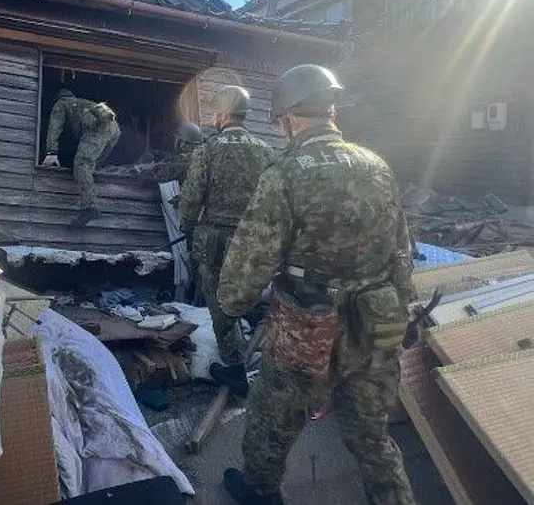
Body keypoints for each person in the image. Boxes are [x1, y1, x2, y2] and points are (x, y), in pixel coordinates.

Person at [216, 65, 416, 505]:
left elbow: (254, 255)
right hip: (374, 321)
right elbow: (401, 250)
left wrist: (232, 303)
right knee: (371, 435)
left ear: (288, 118)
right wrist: (405, 307)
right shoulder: (377, 165)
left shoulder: (285, 172)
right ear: (330, 110)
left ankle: (260, 491)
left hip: (306, 326)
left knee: (274, 416)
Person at [179, 85, 274, 396]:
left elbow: (192, 199)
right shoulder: (265, 150)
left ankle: (234, 371)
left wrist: (187, 225)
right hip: (253, 239)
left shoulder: (209, 149)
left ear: (222, 114)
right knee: (245, 296)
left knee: (219, 305)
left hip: (216, 242)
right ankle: (253, 350)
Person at [41, 88, 121, 228]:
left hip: (97, 126)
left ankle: (88, 208)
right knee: (90, 164)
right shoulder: (82, 103)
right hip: (114, 128)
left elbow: (54, 127)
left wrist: (51, 152)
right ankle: (90, 200)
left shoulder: (61, 103)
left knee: (81, 163)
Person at [135, 120, 203, 185]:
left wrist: (141, 169)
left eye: (177, 139)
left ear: (182, 143)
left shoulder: (181, 163)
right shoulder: (201, 157)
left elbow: (148, 175)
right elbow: (170, 157)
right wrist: (154, 154)